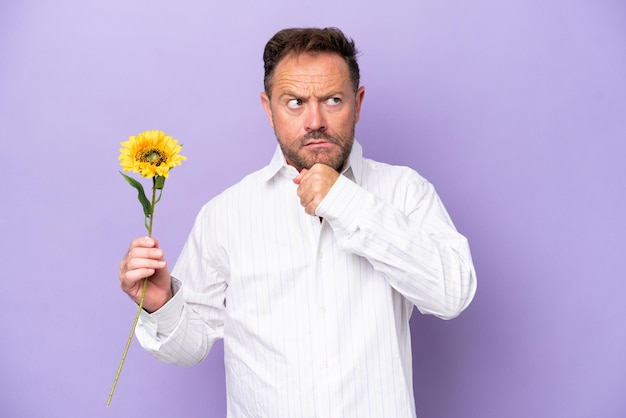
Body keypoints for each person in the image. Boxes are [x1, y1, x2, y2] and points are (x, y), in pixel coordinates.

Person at [119, 27, 477, 418]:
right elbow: (188, 347)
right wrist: (161, 305)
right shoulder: (226, 214)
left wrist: (346, 201)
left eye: (333, 100)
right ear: (268, 107)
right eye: (294, 102)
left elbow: (451, 294)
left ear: (357, 104)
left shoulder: (406, 191)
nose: (314, 121)